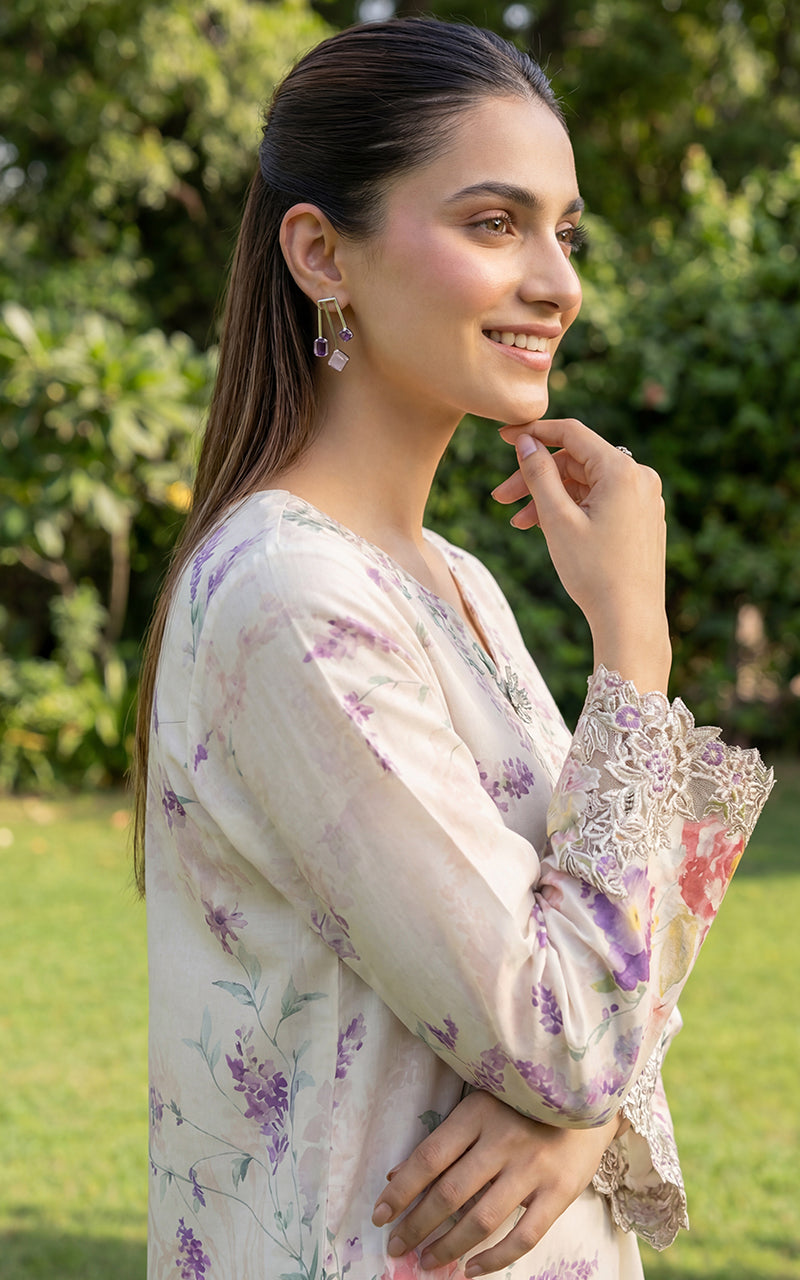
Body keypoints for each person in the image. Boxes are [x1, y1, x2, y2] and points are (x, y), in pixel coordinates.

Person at [133, 18, 773, 1280]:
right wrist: (632, 640)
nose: (556, 281)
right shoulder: (292, 594)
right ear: (321, 253)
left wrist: (579, 1120)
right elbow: (573, 1035)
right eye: (494, 223)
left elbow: (613, 963)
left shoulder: (455, 582)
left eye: (565, 232)